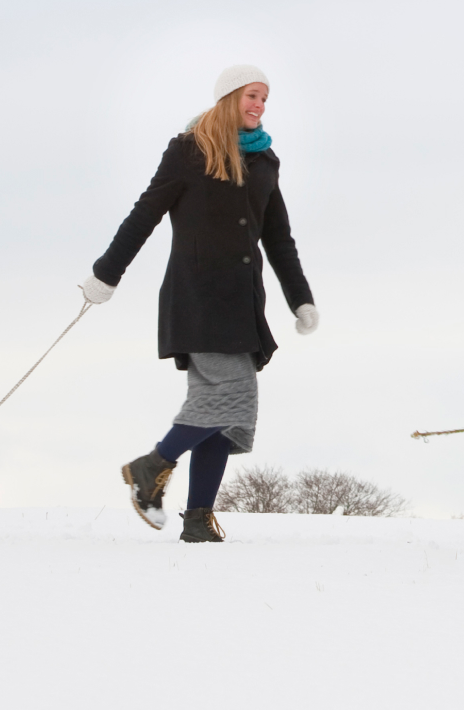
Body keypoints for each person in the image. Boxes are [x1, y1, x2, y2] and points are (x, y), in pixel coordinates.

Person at [82, 65, 317, 543]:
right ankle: (152, 466)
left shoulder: (265, 160)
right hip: (199, 296)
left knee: (225, 418)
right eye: (253, 95)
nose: (260, 105)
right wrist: (107, 273)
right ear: (230, 97)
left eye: (266, 98)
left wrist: (300, 299)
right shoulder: (190, 151)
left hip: (244, 303)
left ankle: (196, 521)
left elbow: (278, 238)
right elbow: (145, 213)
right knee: (229, 397)